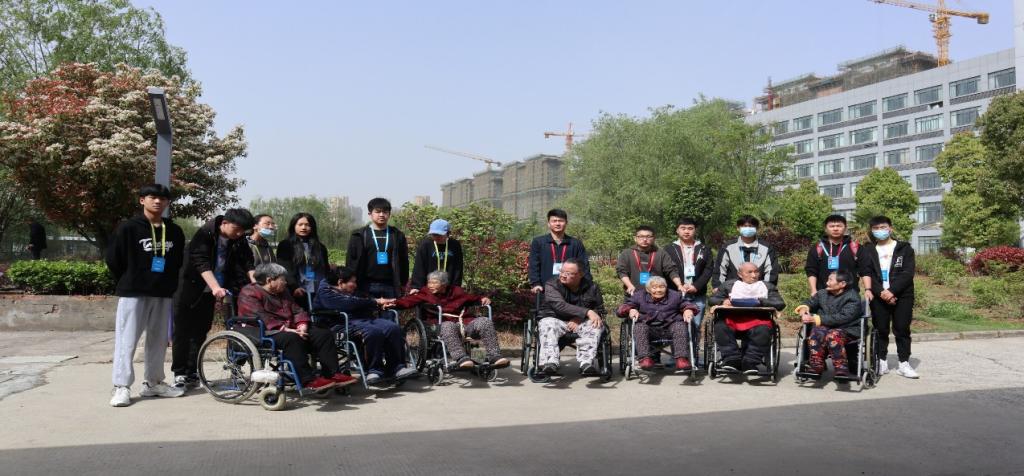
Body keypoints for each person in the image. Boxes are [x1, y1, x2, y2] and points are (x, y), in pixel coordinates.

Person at [105, 184, 186, 406]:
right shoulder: (128, 228)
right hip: (134, 292)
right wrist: (130, 279)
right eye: (152, 197)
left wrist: (168, 283)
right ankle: (122, 386)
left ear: (167, 202)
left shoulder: (174, 230)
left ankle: (153, 383)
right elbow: (113, 259)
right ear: (142, 200)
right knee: (127, 340)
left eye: (163, 198)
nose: (158, 201)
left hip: (163, 292)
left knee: (158, 341)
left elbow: (178, 261)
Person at [172, 208, 256, 390]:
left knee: (200, 331)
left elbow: (247, 261)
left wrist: (255, 282)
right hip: (189, 288)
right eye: (237, 229)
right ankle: (179, 373)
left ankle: (192, 372)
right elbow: (200, 261)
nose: (240, 234)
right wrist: (215, 287)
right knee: (182, 331)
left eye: (243, 231)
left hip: (212, 291)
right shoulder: (205, 233)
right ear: (224, 223)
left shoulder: (239, 239)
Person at [237, 263, 356, 391]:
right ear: (269, 280)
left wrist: (302, 325)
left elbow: (297, 310)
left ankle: (332, 373)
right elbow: (260, 317)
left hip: (290, 328)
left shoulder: (283, 292)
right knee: (292, 339)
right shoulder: (249, 292)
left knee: (322, 334)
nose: (286, 282)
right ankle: (308, 380)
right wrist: (288, 329)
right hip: (263, 331)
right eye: (283, 279)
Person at [314, 266, 418, 385]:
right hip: (341, 323)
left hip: (364, 319)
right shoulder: (325, 292)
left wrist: (379, 304)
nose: (355, 285)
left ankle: (396, 367)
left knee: (393, 328)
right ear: (340, 282)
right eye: (352, 282)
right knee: (373, 332)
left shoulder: (351, 291)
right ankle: (374, 370)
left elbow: (364, 299)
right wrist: (374, 302)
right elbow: (348, 303)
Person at [388, 271, 509, 370]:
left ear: (444, 284)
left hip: (464, 322)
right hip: (441, 324)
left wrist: (483, 298)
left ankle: (493, 357)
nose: (430, 285)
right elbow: (408, 301)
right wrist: (393, 303)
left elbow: (472, 298)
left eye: (434, 283)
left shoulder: (457, 291)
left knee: (485, 322)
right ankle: (461, 358)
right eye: (429, 282)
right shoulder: (425, 293)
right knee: (448, 326)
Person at [858, 215, 918, 379]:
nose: (880, 231)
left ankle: (904, 363)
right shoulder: (868, 250)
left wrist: (892, 291)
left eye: (883, 227)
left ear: (890, 228)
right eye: (876, 228)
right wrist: (882, 293)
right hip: (878, 295)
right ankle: (881, 361)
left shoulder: (904, 248)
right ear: (872, 231)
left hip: (902, 295)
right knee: (880, 329)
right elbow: (867, 273)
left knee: (902, 329)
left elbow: (908, 273)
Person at [708, 262, 786, 375]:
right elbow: (712, 300)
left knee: (764, 329)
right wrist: (723, 301)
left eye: (756, 272)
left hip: (758, 320)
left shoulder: (767, 286)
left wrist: (761, 301)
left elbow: (779, 303)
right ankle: (732, 360)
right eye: (749, 272)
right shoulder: (728, 285)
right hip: (732, 319)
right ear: (740, 274)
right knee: (720, 326)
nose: (754, 275)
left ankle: (750, 361)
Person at [537, 258, 606, 376]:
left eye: (568, 273)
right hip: (556, 319)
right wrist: (587, 312)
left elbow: (599, 310)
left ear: (580, 274)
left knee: (596, 324)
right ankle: (550, 362)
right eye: (562, 271)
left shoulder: (592, 287)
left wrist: (580, 318)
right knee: (547, 324)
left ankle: (586, 363)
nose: (563, 275)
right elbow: (560, 305)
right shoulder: (552, 284)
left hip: (581, 322)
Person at [617, 276, 698, 372]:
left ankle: (682, 359)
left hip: (670, 328)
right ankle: (644, 359)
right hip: (649, 330)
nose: (658, 290)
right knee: (639, 327)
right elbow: (621, 309)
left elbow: (688, 304)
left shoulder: (675, 295)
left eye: (662, 287)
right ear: (648, 289)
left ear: (666, 287)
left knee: (680, 325)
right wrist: (630, 309)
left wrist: (688, 310)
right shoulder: (639, 296)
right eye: (654, 287)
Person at [794, 270, 861, 377]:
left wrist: (816, 319)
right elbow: (810, 302)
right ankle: (816, 365)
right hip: (825, 326)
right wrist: (804, 308)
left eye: (830, 280)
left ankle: (841, 367)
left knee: (833, 335)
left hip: (847, 328)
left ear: (842, 284)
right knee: (817, 332)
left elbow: (843, 317)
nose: (827, 283)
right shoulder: (822, 293)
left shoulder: (852, 297)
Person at [663, 217, 714, 355]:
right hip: (675, 294)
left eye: (690, 228)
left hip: (697, 294)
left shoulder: (704, 249)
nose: (686, 231)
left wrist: (696, 286)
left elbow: (708, 270)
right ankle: (677, 357)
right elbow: (666, 269)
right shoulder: (669, 249)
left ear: (695, 230)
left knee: (695, 326)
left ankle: (693, 357)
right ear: (677, 230)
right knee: (676, 326)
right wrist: (679, 285)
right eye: (683, 228)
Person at [346, 198, 410, 299]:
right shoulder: (359, 235)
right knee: (366, 309)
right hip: (365, 285)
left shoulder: (397, 235)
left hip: (390, 285)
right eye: (378, 211)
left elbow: (404, 261)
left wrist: (403, 283)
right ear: (370, 214)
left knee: (391, 309)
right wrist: (350, 281)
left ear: (389, 214)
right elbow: (351, 261)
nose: (381, 215)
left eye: (385, 212)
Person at [528, 209, 591, 294]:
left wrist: (586, 286)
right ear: (548, 223)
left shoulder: (575, 244)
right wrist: (536, 284)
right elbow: (534, 265)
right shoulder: (539, 242)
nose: (557, 223)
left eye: (561, 221)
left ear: (566, 223)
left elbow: (584, 266)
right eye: (554, 221)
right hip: (545, 289)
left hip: (571, 291)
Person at [276, 213, 329, 307]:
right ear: (293, 226)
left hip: (318, 289)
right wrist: (294, 287)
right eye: (300, 224)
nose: (304, 227)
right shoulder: (286, 245)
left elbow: (325, 268)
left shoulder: (320, 247)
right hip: (297, 290)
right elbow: (284, 269)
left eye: (307, 225)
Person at [712, 215, 779, 290]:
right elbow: (720, 269)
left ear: (756, 228)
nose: (748, 228)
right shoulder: (728, 247)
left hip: (758, 292)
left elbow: (771, 272)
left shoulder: (767, 248)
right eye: (744, 226)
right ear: (738, 228)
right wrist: (718, 288)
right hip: (732, 292)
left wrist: (766, 290)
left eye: (751, 226)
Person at [615, 225, 683, 297]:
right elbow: (621, 271)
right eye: (641, 236)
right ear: (635, 238)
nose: (645, 239)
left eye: (648, 236)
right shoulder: (627, 253)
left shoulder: (661, 253)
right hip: (633, 294)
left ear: (653, 238)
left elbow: (671, 270)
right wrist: (629, 285)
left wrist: (679, 285)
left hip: (657, 295)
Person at [805, 214, 860, 296]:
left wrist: (867, 289)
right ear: (825, 229)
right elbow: (811, 271)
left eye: (839, 226)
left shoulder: (855, 247)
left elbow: (865, 270)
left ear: (845, 228)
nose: (835, 228)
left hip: (850, 294)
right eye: (832, 226)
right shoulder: (817, 248)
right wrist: (813, 290)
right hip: (823, 294)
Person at [410, 219, 464, 290]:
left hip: (449, 288)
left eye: (439, 235)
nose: (436, 237)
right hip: (429, 287)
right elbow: (419, 267)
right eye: (434, 234)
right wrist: (416, 287)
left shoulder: (455, 245)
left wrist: (456, 287)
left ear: (447, 233)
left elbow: (458, 268)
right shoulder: (425, 245)